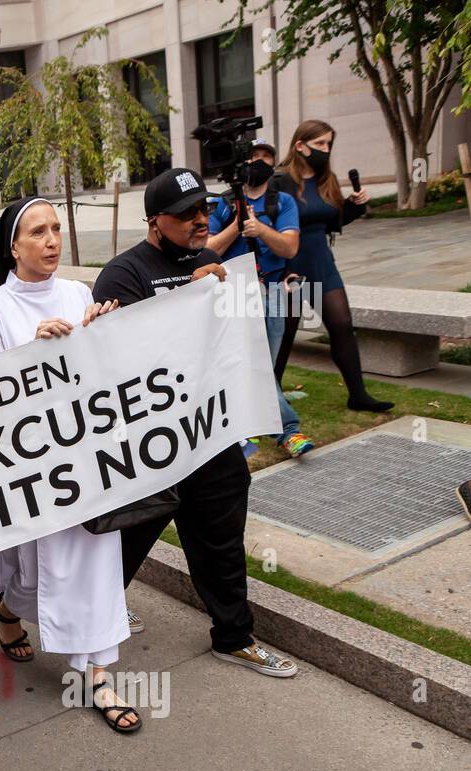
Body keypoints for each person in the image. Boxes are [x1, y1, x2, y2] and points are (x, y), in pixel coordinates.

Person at [93, 167, 299, 679]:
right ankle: (92, 618)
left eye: (204, 210)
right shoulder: (123, 275)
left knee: (221, 542)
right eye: (186, 215)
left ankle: (234, 637)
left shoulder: (212, 261)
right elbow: (131, 362)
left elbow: (231, 345)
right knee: (123, 542)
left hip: (211, 432)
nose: (200, 221)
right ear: (154, 221)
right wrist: (190, 292)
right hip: (155, 445)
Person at [0, 198, 139, 733]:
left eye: (55, 229)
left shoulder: (77, 292)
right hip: (31, 464)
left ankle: (98, 676)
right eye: (38, 232)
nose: (51, 240)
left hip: (84, 456)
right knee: (33, 576)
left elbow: (100, 373)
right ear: (13, 245)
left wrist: (100, 332)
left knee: (95, 559)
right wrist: (31, 351)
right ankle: (7, 610)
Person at [207, 138, 316, 457]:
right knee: (249, 364)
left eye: (266, 157)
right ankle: (289, 430)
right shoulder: (223, 203)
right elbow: (208, 249)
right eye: (253, 157)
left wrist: (261, 230)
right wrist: (238, 226)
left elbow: (290, 247)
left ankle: (247, 427)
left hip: (270, 290)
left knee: (262, 366)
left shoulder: (282, 202)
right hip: (233, 292)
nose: (259, 162)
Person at [275, 120, 392, 412]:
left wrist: (353, 205)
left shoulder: (327, 179)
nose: (326, 150)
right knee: (285, 332)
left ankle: (358, 395)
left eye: (329, 144)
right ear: (300, 146)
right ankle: (269, 396)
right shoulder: (280, 181)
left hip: (321, 261)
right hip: (288, 265)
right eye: (320, 144)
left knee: (341, 325)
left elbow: (332, 221)